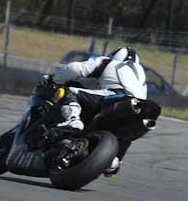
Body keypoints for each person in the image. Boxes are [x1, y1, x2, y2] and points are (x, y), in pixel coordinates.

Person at [52, 46, 147, 175]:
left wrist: (54, 78)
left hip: (117, 97)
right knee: (126, 134)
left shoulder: (109, 63)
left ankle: (73, 121)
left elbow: (75, 69)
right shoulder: (141, 77)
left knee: (70, 92)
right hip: (139, 108)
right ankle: (114, 160)